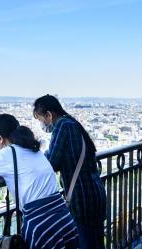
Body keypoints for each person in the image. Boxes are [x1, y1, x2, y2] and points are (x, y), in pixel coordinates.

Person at [0, 114, 79, 249]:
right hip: (62, 215)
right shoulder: (32, 148)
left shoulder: (5, 154)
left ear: (0, 138)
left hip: (41, 222)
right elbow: (12, 163)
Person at [33, 94, 107, 249]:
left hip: (82, 197)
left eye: (41, 119)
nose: (42, 124)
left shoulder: (62, 125)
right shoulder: (72, 123)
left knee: (86, 242)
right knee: (96, 242)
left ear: (49, 115)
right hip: (94, 191)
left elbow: (52, 162)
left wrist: (39, 155)